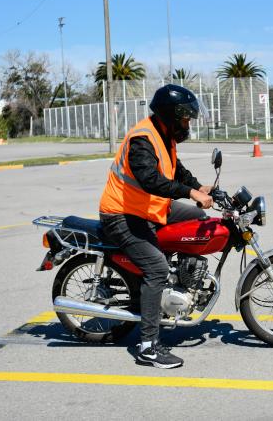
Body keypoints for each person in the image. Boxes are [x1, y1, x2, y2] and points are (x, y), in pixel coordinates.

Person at [99, 84, 213, 368]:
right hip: (122, 214)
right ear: (169, 115)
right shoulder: (142, 139)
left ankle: (180, 281)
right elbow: (151, 180)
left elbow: (177, 172)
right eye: (185, 118)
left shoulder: (165, 136)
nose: (187, 123)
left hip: (149, 209)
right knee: (156, 268)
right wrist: (190, 193)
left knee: (198, 220)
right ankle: (148, 346)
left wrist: (201, 187)